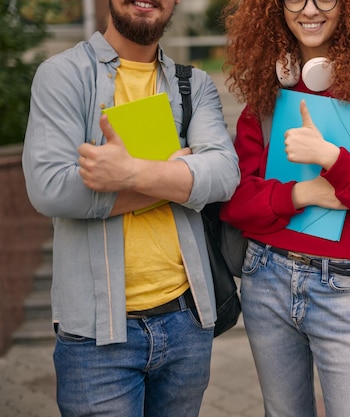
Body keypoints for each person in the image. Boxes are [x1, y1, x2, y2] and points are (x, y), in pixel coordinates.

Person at [21, 0, 239, 415]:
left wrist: (129, 173)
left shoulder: (193, 84)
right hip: (96, 336)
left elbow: (224, 175)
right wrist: (175, 175)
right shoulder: (63, 75)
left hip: (187, 321)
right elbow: (50, 189)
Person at [220, 0, 350, 415]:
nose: (309, 10)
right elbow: (235, 201)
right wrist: (303, 193)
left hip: (342, 288)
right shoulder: (267, 86)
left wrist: (334, 160)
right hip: (266, 276)